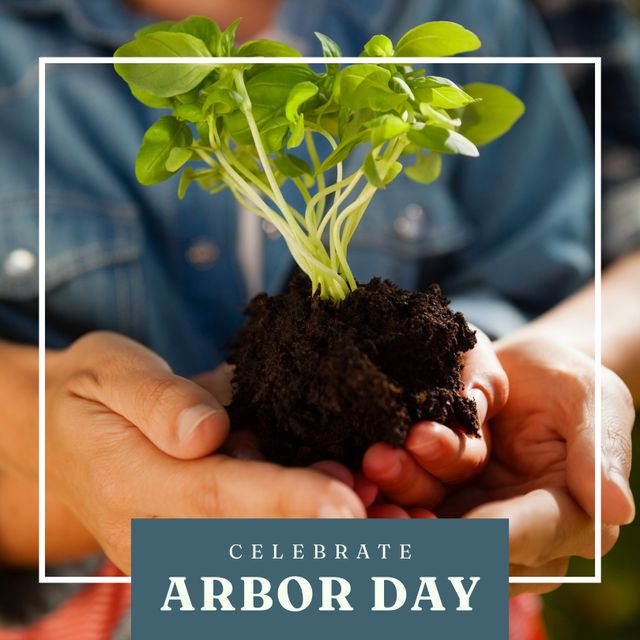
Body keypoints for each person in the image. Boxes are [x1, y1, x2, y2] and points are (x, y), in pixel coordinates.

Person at [0, 0, 634, 638]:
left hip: (431, 579)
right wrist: (47, 431)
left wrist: (540, 364)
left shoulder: (479, 18)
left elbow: (581, 246)